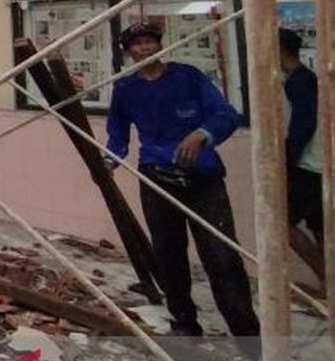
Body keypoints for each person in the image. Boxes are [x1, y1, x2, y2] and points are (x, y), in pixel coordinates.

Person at [105, 21, 259, 340]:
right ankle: (185, 323)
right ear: (128, 51)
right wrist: (109, 160)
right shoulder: (125, 90)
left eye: (150, 42)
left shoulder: (188, 77)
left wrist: (202, 134)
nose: (145, 48)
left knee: (222, 256)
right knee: (169, 254)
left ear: (160, 45)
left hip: (202, 178)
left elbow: (226, 114)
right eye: (138, 44)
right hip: (157, 179)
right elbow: (117, 136)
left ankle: (247, 334)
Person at [280, 27, 325, 279]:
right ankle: (327, 282)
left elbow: (303, 125)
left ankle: (325, 275)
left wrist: (287, 160)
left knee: (282, 223)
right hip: (316, 163)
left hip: (308, 164)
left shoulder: (300, 81)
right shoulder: (302, 79)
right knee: (320, 226)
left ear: (281, 51)